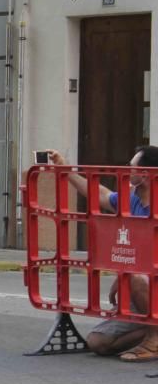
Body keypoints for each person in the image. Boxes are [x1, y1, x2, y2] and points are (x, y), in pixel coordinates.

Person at [48, 146, 158, 362]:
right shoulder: (131, 199)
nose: (127, 169)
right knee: (98, 343)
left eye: (131, 166)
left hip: (150, 283)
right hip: (142, 288)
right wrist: (65, 170)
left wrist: (130, 277)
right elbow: (100, 194)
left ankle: (154, 340)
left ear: (145, 174)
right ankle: (151, 332)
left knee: (136, 276)